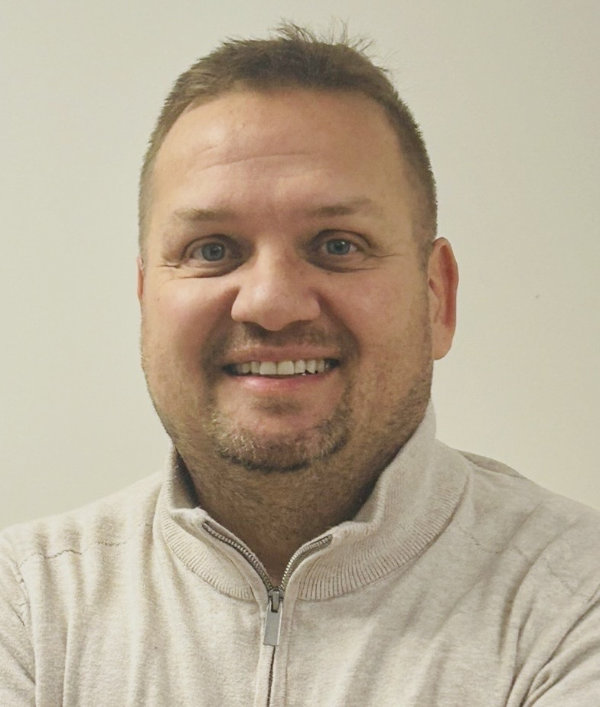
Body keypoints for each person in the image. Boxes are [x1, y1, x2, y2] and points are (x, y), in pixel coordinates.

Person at [1, 24, 599, 706]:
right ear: (145, 299)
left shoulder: (575, 601)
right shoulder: (26, 606)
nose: (272, 303)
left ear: (438, 297)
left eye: (338, 245)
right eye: (212, 249)